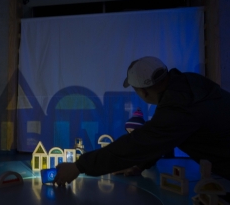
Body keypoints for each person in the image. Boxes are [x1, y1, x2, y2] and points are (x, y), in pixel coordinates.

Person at [53, 56, 230, 186]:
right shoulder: (187, 84)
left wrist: (79, 166)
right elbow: (166, 136)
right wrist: (142, 163)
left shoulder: (179, 106)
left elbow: (138, 143)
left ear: (143, 92)